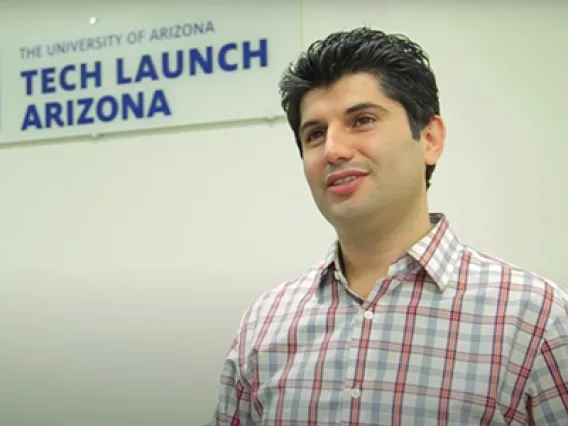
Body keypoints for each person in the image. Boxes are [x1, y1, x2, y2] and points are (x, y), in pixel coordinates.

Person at [210, 27, 568, 425]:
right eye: (315, 134)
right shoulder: (264, 323)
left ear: (430, 139)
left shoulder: (534, 319)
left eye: (362, 120)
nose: (333, 149)